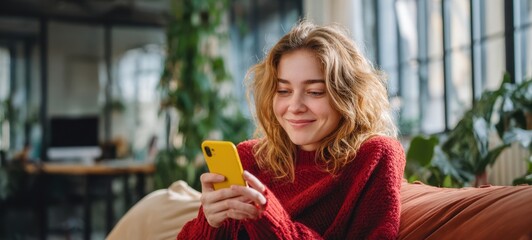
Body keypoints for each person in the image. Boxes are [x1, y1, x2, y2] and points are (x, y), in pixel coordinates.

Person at [177, 20, 406, 239]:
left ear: (348, 96)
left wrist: (270, 221)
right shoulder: (250, 158)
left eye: (315, 92)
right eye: (284, 91)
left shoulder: (374, 156)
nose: (294, 107)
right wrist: (210, 223)